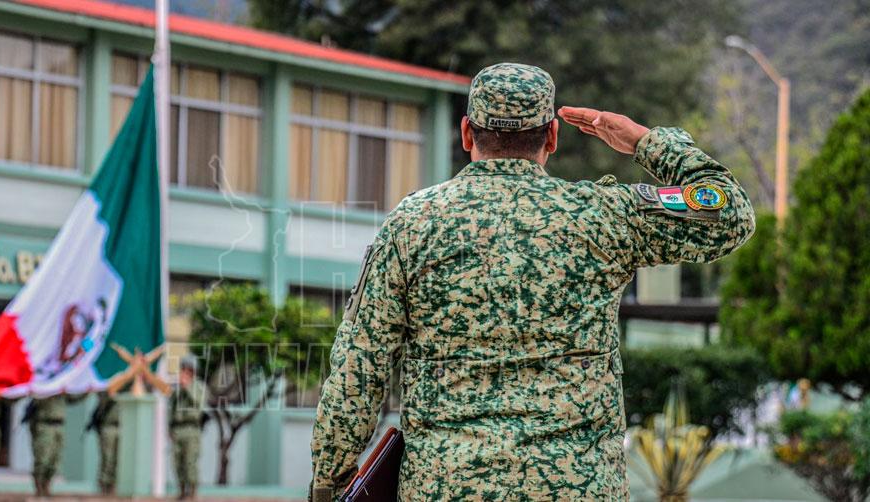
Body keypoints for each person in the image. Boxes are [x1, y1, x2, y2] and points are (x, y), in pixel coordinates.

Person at [309, 62, 755, 500]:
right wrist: (645, 142)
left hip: (447, 486)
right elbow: (728, 211)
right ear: (552, 137)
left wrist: (328, 482)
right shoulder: (602, 215)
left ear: (467, 134)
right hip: (578, 487)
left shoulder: (411, 224)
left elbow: (359, 366)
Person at [169, 356, 207, 500]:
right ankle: (182, 490)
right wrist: (169, 428)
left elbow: (198, 402)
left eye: (188, 369)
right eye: (183, 368)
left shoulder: (199, 386)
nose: (184, 372)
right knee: (177, 463)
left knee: (190, 462)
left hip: (192, 428)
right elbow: (171, 408)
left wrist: (188, 386)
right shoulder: (177, 388)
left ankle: (192, 492)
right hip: (178, 429)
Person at [27, 394, 66, 497]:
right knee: (42, 458)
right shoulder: (43, 391)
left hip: (58, 426)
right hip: (44, 426)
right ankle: (39, 487)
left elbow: (73, 397)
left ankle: (47, 485)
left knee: (55, 459)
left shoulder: (62, 392)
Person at [87, 392, 119, 495]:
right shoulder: (106, 387)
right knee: (107, 458)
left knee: (117, 459)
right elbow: (107, 397)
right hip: (108, 426)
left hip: (121, 425)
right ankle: (104, 486)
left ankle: (113, 486)